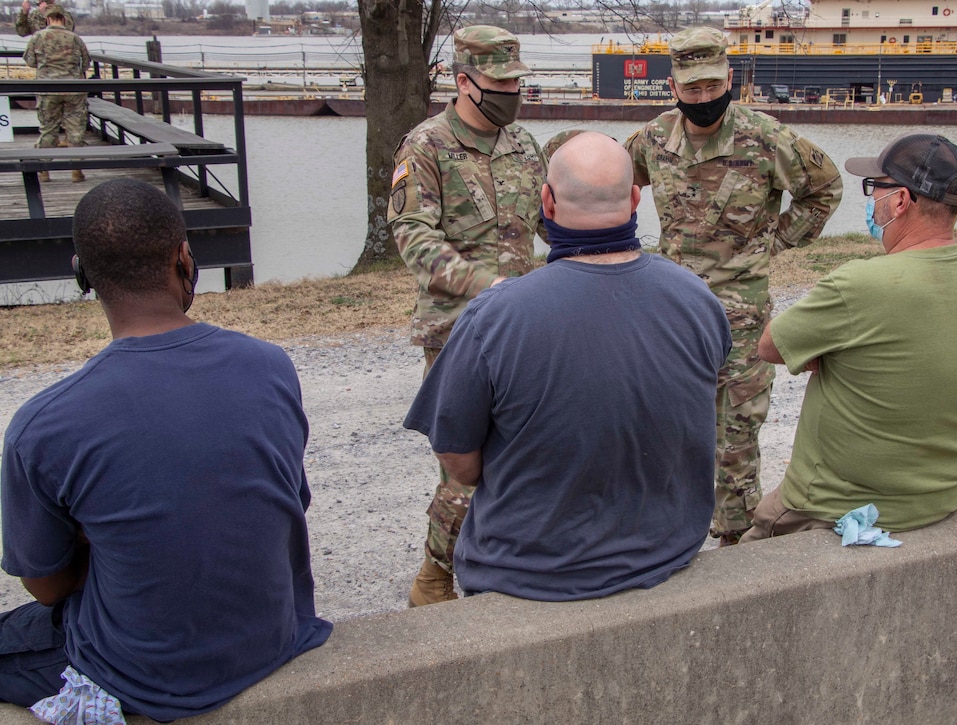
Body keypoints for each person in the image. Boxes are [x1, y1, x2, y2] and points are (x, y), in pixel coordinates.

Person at [0, 179, 332, 721]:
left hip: (146, 675)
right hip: (276, 637)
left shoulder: (43, 424)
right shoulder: (271, 366)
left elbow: (46, 585)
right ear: (185, 259)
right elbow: (282, 502)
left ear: (83, 273)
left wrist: (104, 539)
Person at [403, 132, 731, 600]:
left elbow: (458, 460)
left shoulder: (495, 316)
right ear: (637, 200)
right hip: (667, 555)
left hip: (527, 575)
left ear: (546, 203)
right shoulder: (698, 299)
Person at [624, 26, 842, 545]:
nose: (704, 99)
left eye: (712, 86)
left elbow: (824, 188)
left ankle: (735, 539)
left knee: (736, 430)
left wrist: (774, 241)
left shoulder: (766, 137)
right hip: (672, 308)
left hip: (740, 313)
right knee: (666, 420)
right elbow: (615, 184)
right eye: (692, 89)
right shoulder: (654, 138)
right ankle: (663, 530)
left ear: (730, 80)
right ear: (674, 87)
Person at [740, 134, 957, 541]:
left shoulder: (862, 283)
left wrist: (827, 352)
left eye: (873, 189)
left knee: (748, 552)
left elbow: (770, 345)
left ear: (899, 201)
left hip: (836, 504)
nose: (870, 203)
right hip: (940, 497)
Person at [389, 25, 547, 607]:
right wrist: (490, 287)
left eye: (516, 82)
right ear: (464, 81)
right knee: (463, 466)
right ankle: (434, 576)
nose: (511, 92)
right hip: (457, 333)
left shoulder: (525, 146)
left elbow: (546, 226)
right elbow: (412, 236)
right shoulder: (425, 146)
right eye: (499, 83)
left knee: (526, 451)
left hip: (524, 329)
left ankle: (511, 562)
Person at [22, 4, 89, 183]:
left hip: (47, 89)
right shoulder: (75, 38)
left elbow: (29, 61)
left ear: (48, 19)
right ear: (64, 19)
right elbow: (86, 62)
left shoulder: (38, 37)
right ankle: (76, 170)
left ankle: (44, 170)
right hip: (73, 89)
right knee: (75, 130)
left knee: (48, 129)